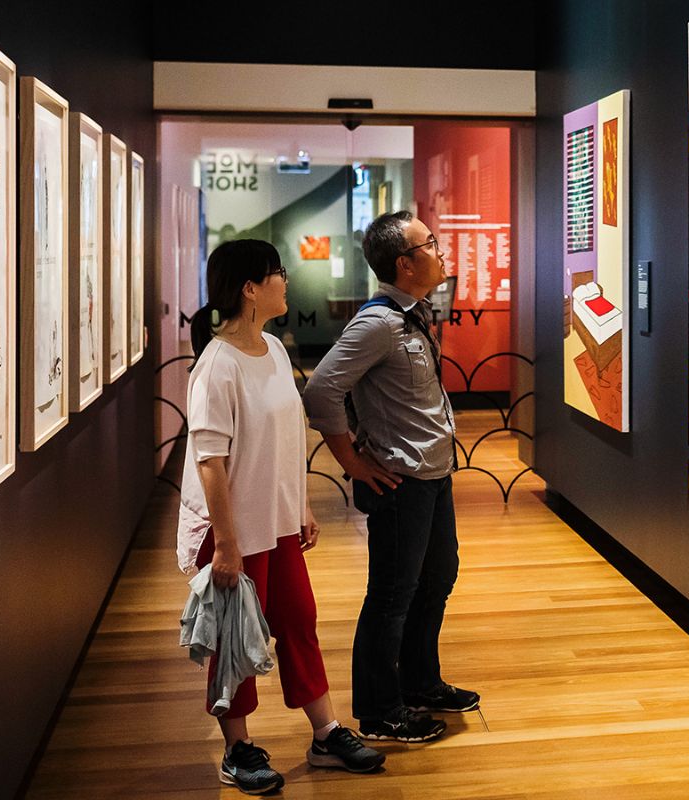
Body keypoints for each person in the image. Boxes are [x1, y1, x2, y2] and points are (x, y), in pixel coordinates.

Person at [178, 239, 384, 795]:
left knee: (298, 622)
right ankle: (236, 749)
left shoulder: (270, 348)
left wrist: (300, 509)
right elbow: (210, 463)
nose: (287, 282)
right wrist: (225, 544)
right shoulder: (216, 366)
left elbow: (286, 440)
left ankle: (326, 734)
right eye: (279, 273)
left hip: (276, 525)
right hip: (232, 534)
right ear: (250, 288)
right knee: (235, 639)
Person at [302, 211, 480, 743]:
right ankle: (380, 710)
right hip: (400, 483)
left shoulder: (417, 314)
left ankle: (421, 683)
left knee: (437, 578)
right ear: (405, 264)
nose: (441, 250)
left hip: (434, 473)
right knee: (392, 593)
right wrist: (353, 461)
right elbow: (321, 392)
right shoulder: (378, 324)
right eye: (431, 243)